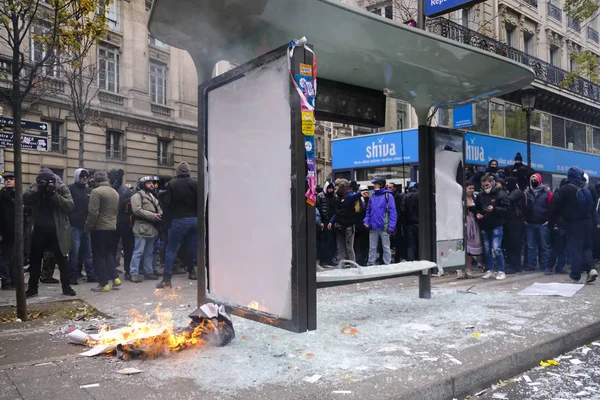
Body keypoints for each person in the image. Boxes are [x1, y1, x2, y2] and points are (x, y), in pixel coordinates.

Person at [23, 168, 76, 298]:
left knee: (62, 260)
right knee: (35, 261)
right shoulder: (35, 187)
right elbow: (24, 199)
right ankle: (32, 288)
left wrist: (54, 194)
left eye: (49, 180)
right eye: (43, 181)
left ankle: (66, 287)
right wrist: (37, 190)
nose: (46, 183)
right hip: (38, 230)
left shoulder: (61, 188)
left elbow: (69, 205)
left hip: (58, 231)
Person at [554, 167, 598, 284]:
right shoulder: (586, 189)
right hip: (588, 222)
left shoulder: (566, 189)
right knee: (586, 247)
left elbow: (555, 206)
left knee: (575, 249)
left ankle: (575, 275)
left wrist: (555, 221)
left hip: (573, 223)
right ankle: (591, 268)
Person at [158, 162, 197, 288]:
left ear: (178, 172)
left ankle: (167, 279)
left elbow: (167, 204)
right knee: (191, 247)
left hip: (179, 219)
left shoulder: (172, 184)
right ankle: (192, 271)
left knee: (171, 249)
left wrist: (167, 222)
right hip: (195, 220)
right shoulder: (195, 183)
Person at [84, 170, 121, 293]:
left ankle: (103, 283)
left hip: (99, 228)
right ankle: (115, 278)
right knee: (108, 253)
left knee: (99, 256)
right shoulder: (114, 192)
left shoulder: (96, 192)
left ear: (95, 179)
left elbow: (93, 212)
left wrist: (88, 227)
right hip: (112, 227)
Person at [475, 174, 509, 280]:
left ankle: (501, 270)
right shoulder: (480, 196)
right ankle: (489, 269)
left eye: (487, 185)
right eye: (484, 186)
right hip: (485, 224)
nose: (485, 187)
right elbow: (477, 208)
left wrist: (494, 209)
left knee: (496, 248)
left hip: (497, 224)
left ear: (492, 183)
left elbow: (507, 209)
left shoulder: (500, 194)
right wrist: (478, 214)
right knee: (487, 249)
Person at [130, 176, 162, 283]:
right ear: (143, 184)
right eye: (149, 183)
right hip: (141, 227)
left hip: (152, 228)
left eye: (152, 183)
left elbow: (159, 208)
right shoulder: (136, 196)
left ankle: (148, 271)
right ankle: (134, 273)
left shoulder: (152, 196)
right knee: (138, 251)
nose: (152, 185)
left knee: (149, 252)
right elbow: (137, 210)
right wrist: (153, 216)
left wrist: (160, 215)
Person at [68, 169, 96, 285]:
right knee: (74, 253)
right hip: (74, 225)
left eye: (86, 176)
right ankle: (73, 276)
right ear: (77, 177)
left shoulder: (89, 190)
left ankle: (90, 275)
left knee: (88, 253)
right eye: (82, 176)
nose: (85, 178)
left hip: (86, 226)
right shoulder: (70, 189)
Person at [109, 169, 135, 281]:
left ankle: (121, 270)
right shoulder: (124, 190)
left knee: (118, 248)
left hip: (120, 222)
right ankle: (125, 270)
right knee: (121, 248)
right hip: (121, 222)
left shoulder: (121, 191)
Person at [523, 173, 552, 272]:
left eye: (535, 179)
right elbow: (523, 206)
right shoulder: (526, 192)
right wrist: (524, 219)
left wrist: (549, 220)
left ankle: (545, 265)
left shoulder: (547, 193)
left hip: (543, 223)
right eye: (532, 179)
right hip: (530, 223)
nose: (533, 181)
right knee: (531, 246)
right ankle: (531, 265)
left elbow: (552, 207)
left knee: (544, 246)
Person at [364, 177, 397, 266]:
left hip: (384, 226)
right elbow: (368, 211)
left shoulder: (388, 196)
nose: (374, 185)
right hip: (373, 226)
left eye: (376, 184)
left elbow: (393, 212)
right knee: (372, 247)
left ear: (381, 184)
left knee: (386, 247)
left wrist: (391, 226)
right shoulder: (373, 196)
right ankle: (371, 264)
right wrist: (366, 221)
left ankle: (387, 263)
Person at [327, 179, 361, 264]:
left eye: (337, 186)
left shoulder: (349, 196)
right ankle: (341, 265)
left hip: (348, 225)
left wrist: (360, 193)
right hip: (340, 225)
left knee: (349, 247)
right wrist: (331, 221)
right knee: (340, 247)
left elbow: (354, 196)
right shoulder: (338, 198)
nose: (335, 188)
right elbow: (337, 212)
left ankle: (353, 265)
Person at [458, 181, 482, 279]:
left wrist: (477, 213)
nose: (471, 190)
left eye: (473, 188)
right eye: (469, 188)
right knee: (462, 247)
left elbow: (478, 209)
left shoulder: (475, 199)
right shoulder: (460, 199)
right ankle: (460, 269)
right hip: (462, 223)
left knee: (470, 249)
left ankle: (468, 268)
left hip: (473, 224)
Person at [503, 177, 525, 274]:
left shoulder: (516, 192)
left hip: (515, 220)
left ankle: (515, 265)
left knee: (514, 243)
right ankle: (514, 264)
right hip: (512, 220)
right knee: (512, 243)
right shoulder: (513, 191)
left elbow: (508, 200)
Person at [548, 179, 568, 275]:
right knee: (560, 247)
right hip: (561, 223)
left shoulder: (557, 194)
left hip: (559, 223)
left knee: (559, 247)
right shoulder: (562, 195)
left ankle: (553, 266)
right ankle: (554, 266)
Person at [0, 173, 16, 289]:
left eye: (11, 179)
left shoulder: (18, 196)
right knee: (6, 258)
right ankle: (6, 281)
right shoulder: (1, 196)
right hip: (5, 232)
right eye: (6, 179)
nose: (8, 181)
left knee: (15, 258)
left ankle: (14, 279)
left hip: (17, 232)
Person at [316, 181, 337, 267]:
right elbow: (318, 208)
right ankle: (323, 260)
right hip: (323, 222)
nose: (330, 190)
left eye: (332, 188)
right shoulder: (320, 196)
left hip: (332, 221)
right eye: (329, 188)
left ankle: (330, 259)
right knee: (324, 242)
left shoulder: (334, 197)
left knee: (332, 242)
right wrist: (320, 221)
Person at [401, 182, 420, 261]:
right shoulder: (421, 195)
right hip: (420, 224)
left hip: (409, 224)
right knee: (420, 244)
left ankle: (411, 261)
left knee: (410, 245)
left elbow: (402, 210)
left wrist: (403, 223)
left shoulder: (406, 196)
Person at [353, 185, 370, 266]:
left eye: (367, 190)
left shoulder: (369, 200)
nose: (366, 192)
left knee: (366, 246)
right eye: (364, 191)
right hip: (358, 227)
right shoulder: (356, 200)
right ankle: (360, 262)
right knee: (358, 246)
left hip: (366, 227)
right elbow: (357, 212)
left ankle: (364, 260)